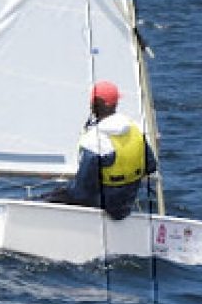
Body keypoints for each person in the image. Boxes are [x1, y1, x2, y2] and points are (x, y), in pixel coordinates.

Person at [44, 80, 157, 220]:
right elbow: (151, 166)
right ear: (116, 103)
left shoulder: (94, 140)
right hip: (127, 201)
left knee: (50, 198)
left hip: (104, 203)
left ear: (93, 104)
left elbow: (83, 192)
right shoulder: (135, 129)